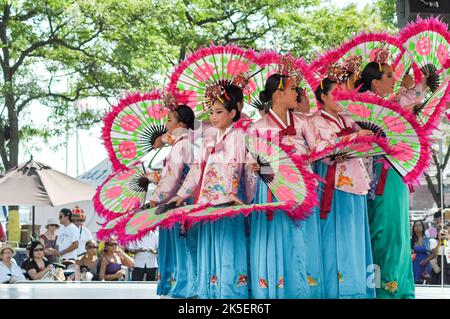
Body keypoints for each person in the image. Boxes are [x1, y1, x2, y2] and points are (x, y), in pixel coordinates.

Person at [168, 84, 253, 299]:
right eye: (212, 112)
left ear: (233, 113)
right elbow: (197, 169)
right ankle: (211, 292)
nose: (213, 117)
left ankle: (231, 294)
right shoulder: (208, 139)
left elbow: (236, 165)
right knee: (210, 248)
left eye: (219, 112)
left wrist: (232, 192)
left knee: (227, 248)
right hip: (206, 202)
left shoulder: (238, 136)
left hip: (227, 200)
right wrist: (183, 194)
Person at [246, 71, 320, 299]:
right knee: (275, 239)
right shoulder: (257, 126)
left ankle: (302, 290)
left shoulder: (303, 121)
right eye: (292, 89)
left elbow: (317, 149)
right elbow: (251, 159)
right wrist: (259, 166)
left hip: (302, 188)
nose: (297, 93)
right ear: (278, 94)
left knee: (301, 239)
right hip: (272, 189)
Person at [355, 61, 418, 298]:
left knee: (398, 232)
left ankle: (399, 287)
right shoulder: (368, 106)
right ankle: (382, 289)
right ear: (375, 82)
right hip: (382, 173)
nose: (394, 80)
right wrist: (412, 89)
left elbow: (410, 104)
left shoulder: (384, 105)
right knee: (383, 233)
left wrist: (413, 88)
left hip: (395, 171)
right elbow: (406, 105)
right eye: (389, 76)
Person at [309, 76, 375, 299]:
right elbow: (320, 151)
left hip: (356, 182)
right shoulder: (315, 121)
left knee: (355, 238)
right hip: (334, 184)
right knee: (335, 238)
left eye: (341, 93)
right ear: (323, 97)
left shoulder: (349, 119)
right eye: (334, 93)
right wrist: (354, 137)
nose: (339, 98)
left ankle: (357, 288)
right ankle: (336, 290)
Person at [148, 103, 198, 298]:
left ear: (181, 124)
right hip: (181, 199)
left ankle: (185, 286)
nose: (166, 124)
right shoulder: (186, 143)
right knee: (183, 243)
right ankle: (184, 284)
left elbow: (172, 177)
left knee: (182, 243)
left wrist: (155, 199)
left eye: (169, 120)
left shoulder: (181, 144)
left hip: (177, 202)